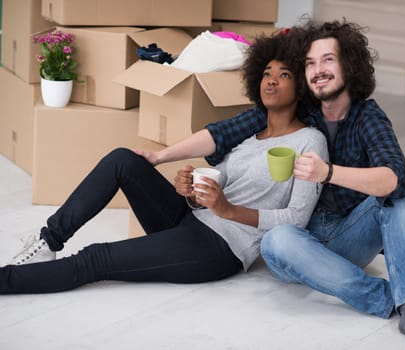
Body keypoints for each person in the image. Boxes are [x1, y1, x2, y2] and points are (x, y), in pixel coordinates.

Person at [189, 20, 405, 350]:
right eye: (310, 63)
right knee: (275, 241)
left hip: (350, 235)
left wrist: (327, 172)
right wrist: (158, 157)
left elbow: (395, 178)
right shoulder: (301, 112)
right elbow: (225, 133)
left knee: (398, 198)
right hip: (300, 241)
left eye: (328, 60)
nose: (318, 70)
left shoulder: (367, 116)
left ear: (349, 65)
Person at [1, 32, 328, 294]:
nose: (271, 81)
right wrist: (189, 190)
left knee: (95, 258)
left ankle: (7, 281)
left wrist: (227, 210)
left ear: (301, 85)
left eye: (283, 75)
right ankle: (49, 241)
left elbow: (295, 219)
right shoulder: (250, 137)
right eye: (267, 73)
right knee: (123, 160)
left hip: (217, 247)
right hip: (191, 218)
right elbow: (217, 184)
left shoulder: (310, 141)